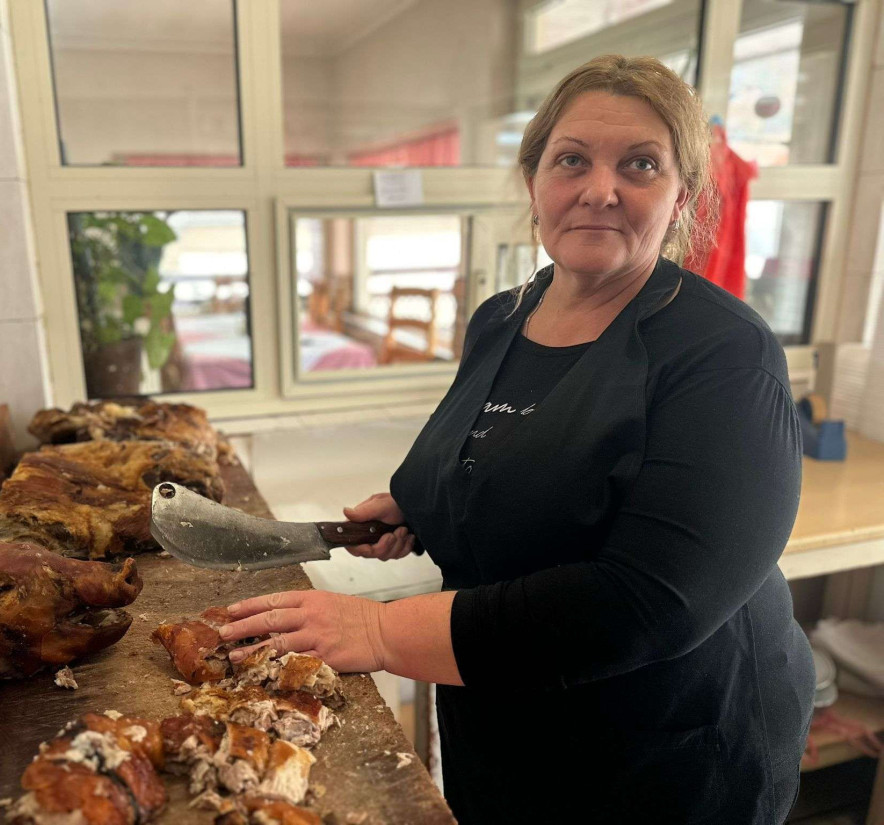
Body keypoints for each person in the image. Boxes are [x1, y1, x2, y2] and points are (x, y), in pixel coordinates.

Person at [217, 54, 814, 823]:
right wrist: (418, 504)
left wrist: (377, 629)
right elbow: (500, 456)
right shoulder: (504, 316)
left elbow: (651, 602)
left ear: (682, 196)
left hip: (665, 757)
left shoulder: (724, 351)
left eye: (640, 164)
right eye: (572, 160)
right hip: (507, 727)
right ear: (534, 184)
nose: (601, 189)